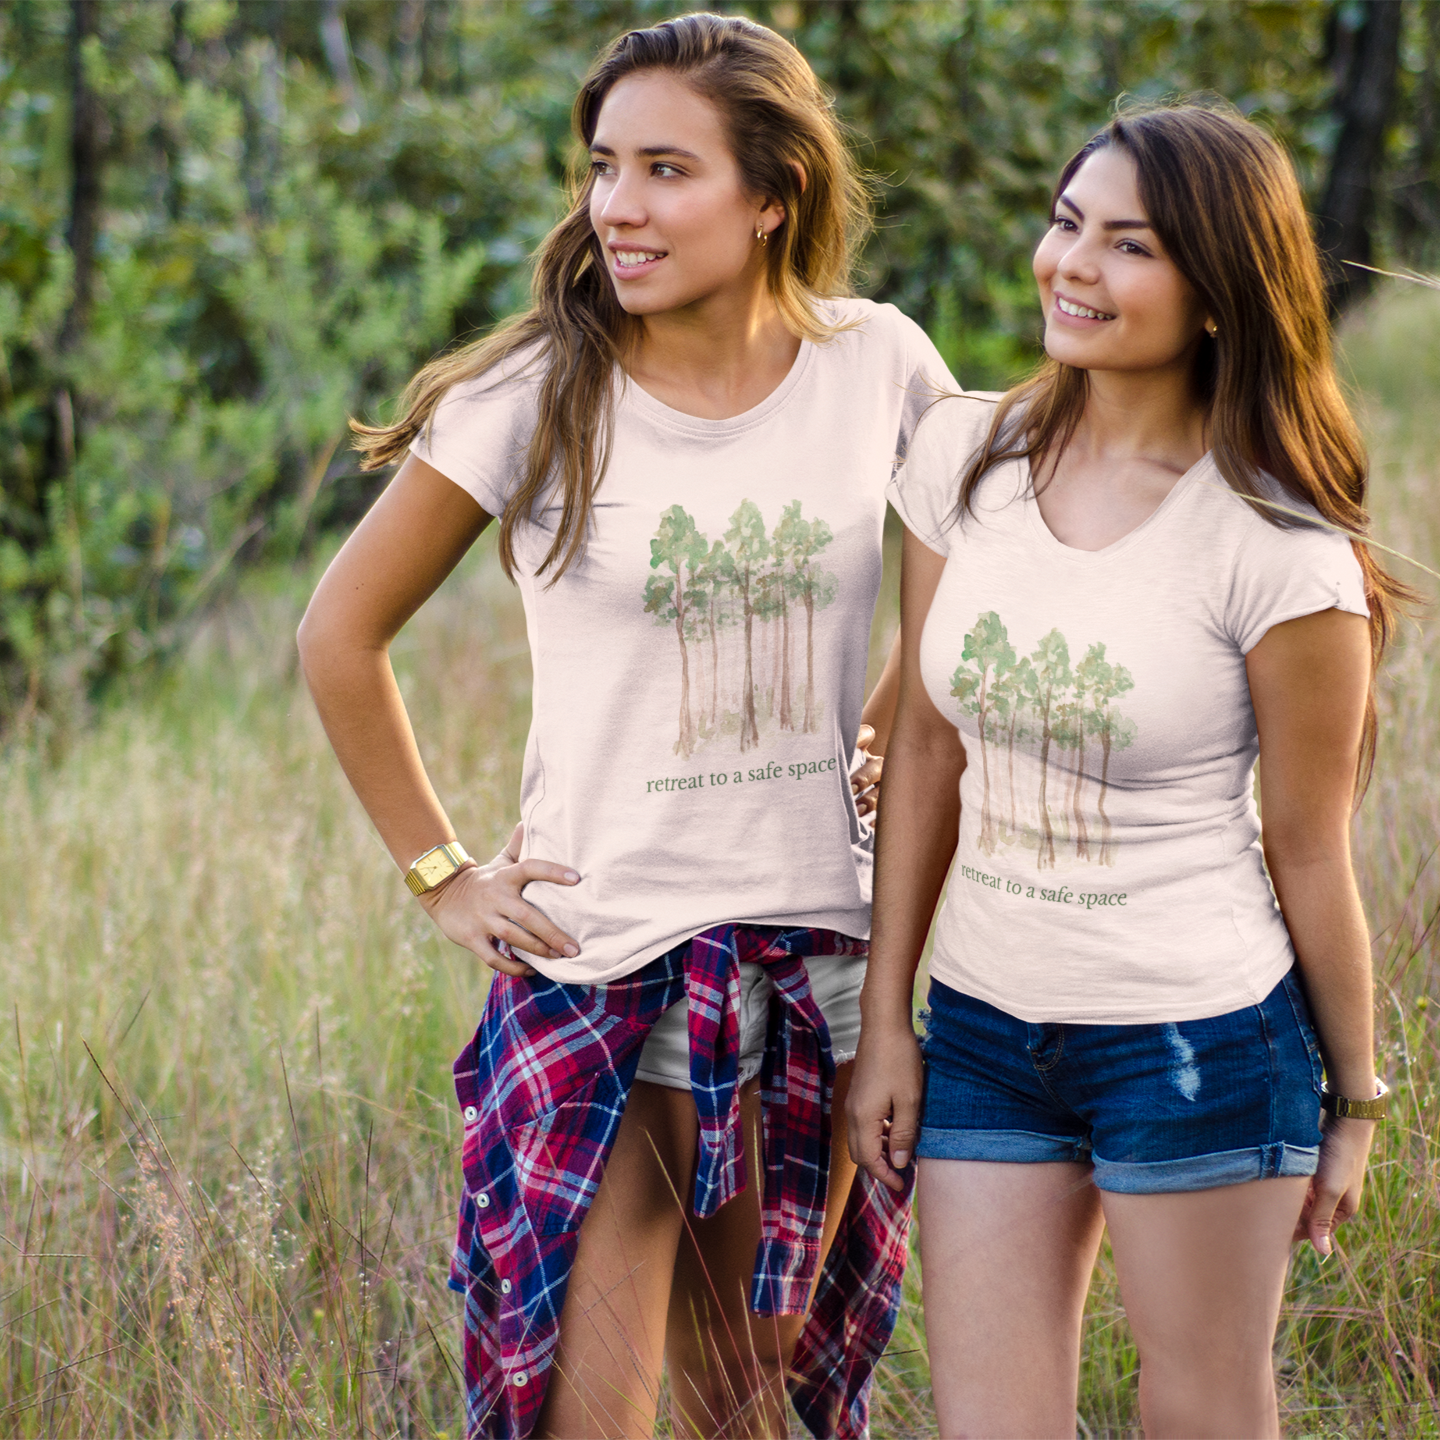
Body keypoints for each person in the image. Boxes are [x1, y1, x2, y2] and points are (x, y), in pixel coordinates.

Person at [298, 14, 955, 1439]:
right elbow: (336, 639)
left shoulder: (881, 363)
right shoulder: (533, 394)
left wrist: (888, 711)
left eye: (667, 168)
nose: (619, 207)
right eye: (604, 166)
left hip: (815, 957)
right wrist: (442, 873)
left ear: (773, 193)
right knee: (584, 1413)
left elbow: (961, 604)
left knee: (745, 1402)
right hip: (605, 964)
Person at [847, 101, 1412, 1437]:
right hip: (983, 1031)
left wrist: (1358, 1100)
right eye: (1065, 223)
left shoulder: (1278, 548)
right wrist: (888, 1021)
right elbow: (928, 744)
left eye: (1130, 245)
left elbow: (1310, 847)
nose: (1073, 266)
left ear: (1220, 289)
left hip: (1200, 1039)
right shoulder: (964, 457)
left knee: (1204, 1414)